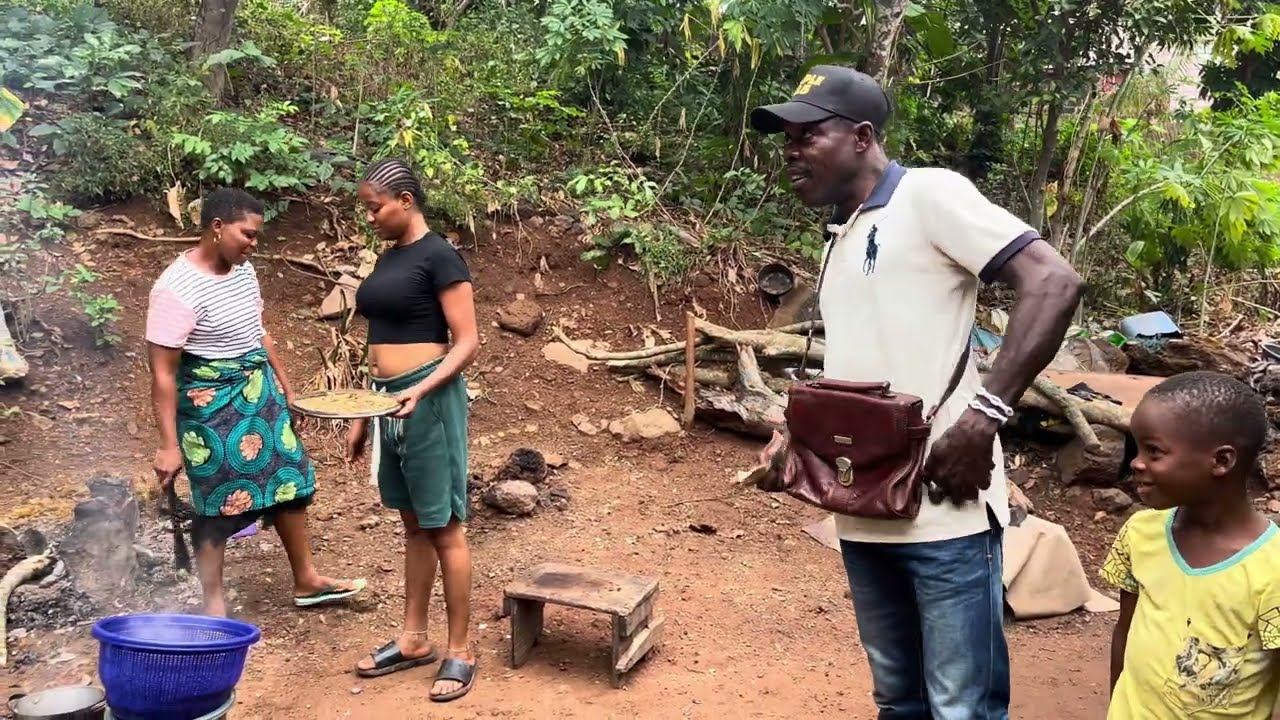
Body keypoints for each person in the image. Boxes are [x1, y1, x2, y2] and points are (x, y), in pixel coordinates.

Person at [749, 66, 1082, 719]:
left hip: (943, 508)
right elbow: (871, 360)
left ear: (863, 136)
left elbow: (1053, 282)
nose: (790, 152)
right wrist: (799, 437)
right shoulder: (840, 233)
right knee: (899, 699)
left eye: (807, 135)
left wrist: (986, 416)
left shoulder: (929, 196)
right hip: (865, 505)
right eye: (784, 140)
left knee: (962, 706)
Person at [146, 187, 365, 617]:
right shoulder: (175, 289)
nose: (253, 243)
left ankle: (306, 580)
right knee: (216, 501)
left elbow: (257, 331)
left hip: (258, 392)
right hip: (209, 407)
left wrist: (285, 386)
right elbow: (163, 372)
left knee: (291, 481)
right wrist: (169, 445)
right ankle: (214, 606)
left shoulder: (243, 271)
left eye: (257, 236)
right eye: (247, 234)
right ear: (216, 227)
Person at [346, 158, 480, 702]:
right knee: (412, 527)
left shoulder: (441, 255)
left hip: (427, 398)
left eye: (376, 207)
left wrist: (420, 390)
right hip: (386, 402)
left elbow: (467, 341)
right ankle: (413, 639)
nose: (371, 217)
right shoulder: (390, 257)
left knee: (444, 525)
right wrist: (362, 412)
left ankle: (461, 648)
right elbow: (375, 341)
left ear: (405, 200)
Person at [1102, 371, 1278, 719]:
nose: (1136, 463)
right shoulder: (1140, 533)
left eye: (1154, 451)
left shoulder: (1272, 569)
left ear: (1221, 461)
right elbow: (1124, 630)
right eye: (1136, 449)